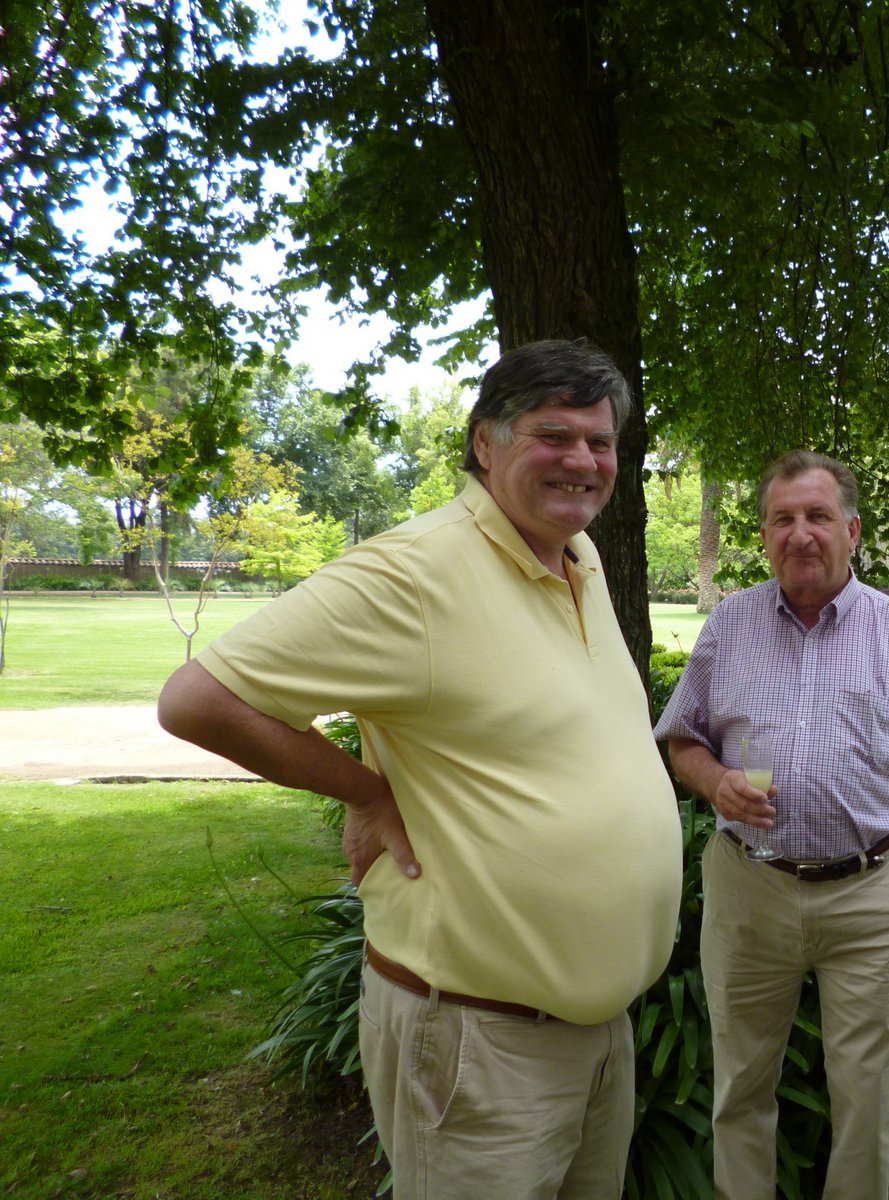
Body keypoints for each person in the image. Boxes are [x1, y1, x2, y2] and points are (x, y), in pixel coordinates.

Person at [157, 340, 682, 1200]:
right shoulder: (414, 571)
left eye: (601, 441)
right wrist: (365, 791)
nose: (584, 461)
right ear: (486, 443)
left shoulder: (578, 557)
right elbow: (199, 700)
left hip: (597, 1037)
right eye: (554, 436)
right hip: (480, 1043)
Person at [655, 450, 889, 1200]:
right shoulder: (729, 624)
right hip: (750, 887)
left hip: (872, 896)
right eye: (783, 518)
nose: (800, 533)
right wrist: (717, 783)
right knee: (739, 1087)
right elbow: (681, 739)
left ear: (852, 531)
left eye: (818, 516)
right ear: (766, 534)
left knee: (868, 1101)